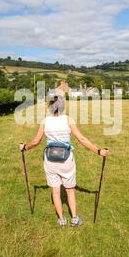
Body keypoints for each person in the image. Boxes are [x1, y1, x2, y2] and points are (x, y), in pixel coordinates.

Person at [19, 95, 109, 227]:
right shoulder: (68, 120)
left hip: (50, 160)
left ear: (50, 106)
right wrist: (98, 151)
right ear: (62, 106)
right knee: (70, 190)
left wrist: (24, 148)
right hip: (67, 160)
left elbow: (36, 141)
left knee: (55, 191)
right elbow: (81, 139)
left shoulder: (45, 121)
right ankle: (75, 219)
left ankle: (61, 220)